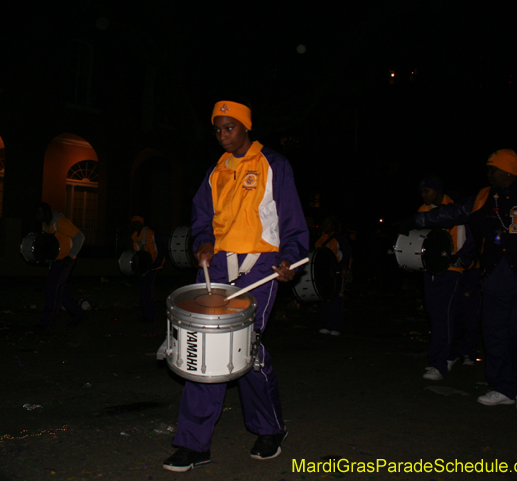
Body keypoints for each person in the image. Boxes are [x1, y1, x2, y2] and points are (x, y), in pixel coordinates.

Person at [163, 100, 309, 472]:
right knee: (205, 351)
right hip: (218, 267)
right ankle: (194, 444)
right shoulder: (216, 172)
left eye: (229, 127)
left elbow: (291, 219)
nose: (222, 135)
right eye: (217, 129)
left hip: (261, 266)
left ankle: (269, 428)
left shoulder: (274, 164)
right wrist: (203, 242)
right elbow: (203, 218)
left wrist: (289, 258)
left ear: (246, 127)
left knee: (248, 351)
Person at [412, 150, 517, 412]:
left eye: (492, 169)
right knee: (494, 334)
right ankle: (502, 388)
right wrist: (420, 219)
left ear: (507, 171)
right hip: (495, 278)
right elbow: (454, 212)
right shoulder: (484, 197)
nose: (488, 174)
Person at [416, 177, 477, 380]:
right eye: (422, 191)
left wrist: (463, 258)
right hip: (430, 269)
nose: (424, 195)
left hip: (451, 269)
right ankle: (448, 355)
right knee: (436, 314)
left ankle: (439, 364)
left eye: (427, 191)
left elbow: (472, 237)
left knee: (445, 315)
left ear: (438, 190)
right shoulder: (424, 209)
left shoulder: (456, 208)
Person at [35, 203, 87, 330]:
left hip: (65, 260)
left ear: (47, 213)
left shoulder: (61, 222)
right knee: (62, 291)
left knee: (52, 289)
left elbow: (80, 237)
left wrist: (70, 256)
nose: (37, 215)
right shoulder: (46, 225)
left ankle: (47, 323)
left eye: (39, 213)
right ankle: (79, 315)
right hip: (57, 260)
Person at [315, 215, 351, 336]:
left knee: (336, 299)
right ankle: (326, 325)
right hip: (323, 272)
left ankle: (336, 326)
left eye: (328, 223)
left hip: (335, 271)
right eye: (324, 223)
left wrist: (345, 268)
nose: (326, 226)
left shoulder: (338, 238)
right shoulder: (320, 238)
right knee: (324, 298)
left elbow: (346, 253)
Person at [130, 215, 165, 322]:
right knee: (143, 290)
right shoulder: (135, 236)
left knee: (148, 290)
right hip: (144, 266)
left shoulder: (150, 234)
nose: (135, 225)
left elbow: (161, 248)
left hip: (154, 265)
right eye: (134, 223)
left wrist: (157, 262)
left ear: (142, 224)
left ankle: (150, 315)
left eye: (137, 223)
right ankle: (146, 314)